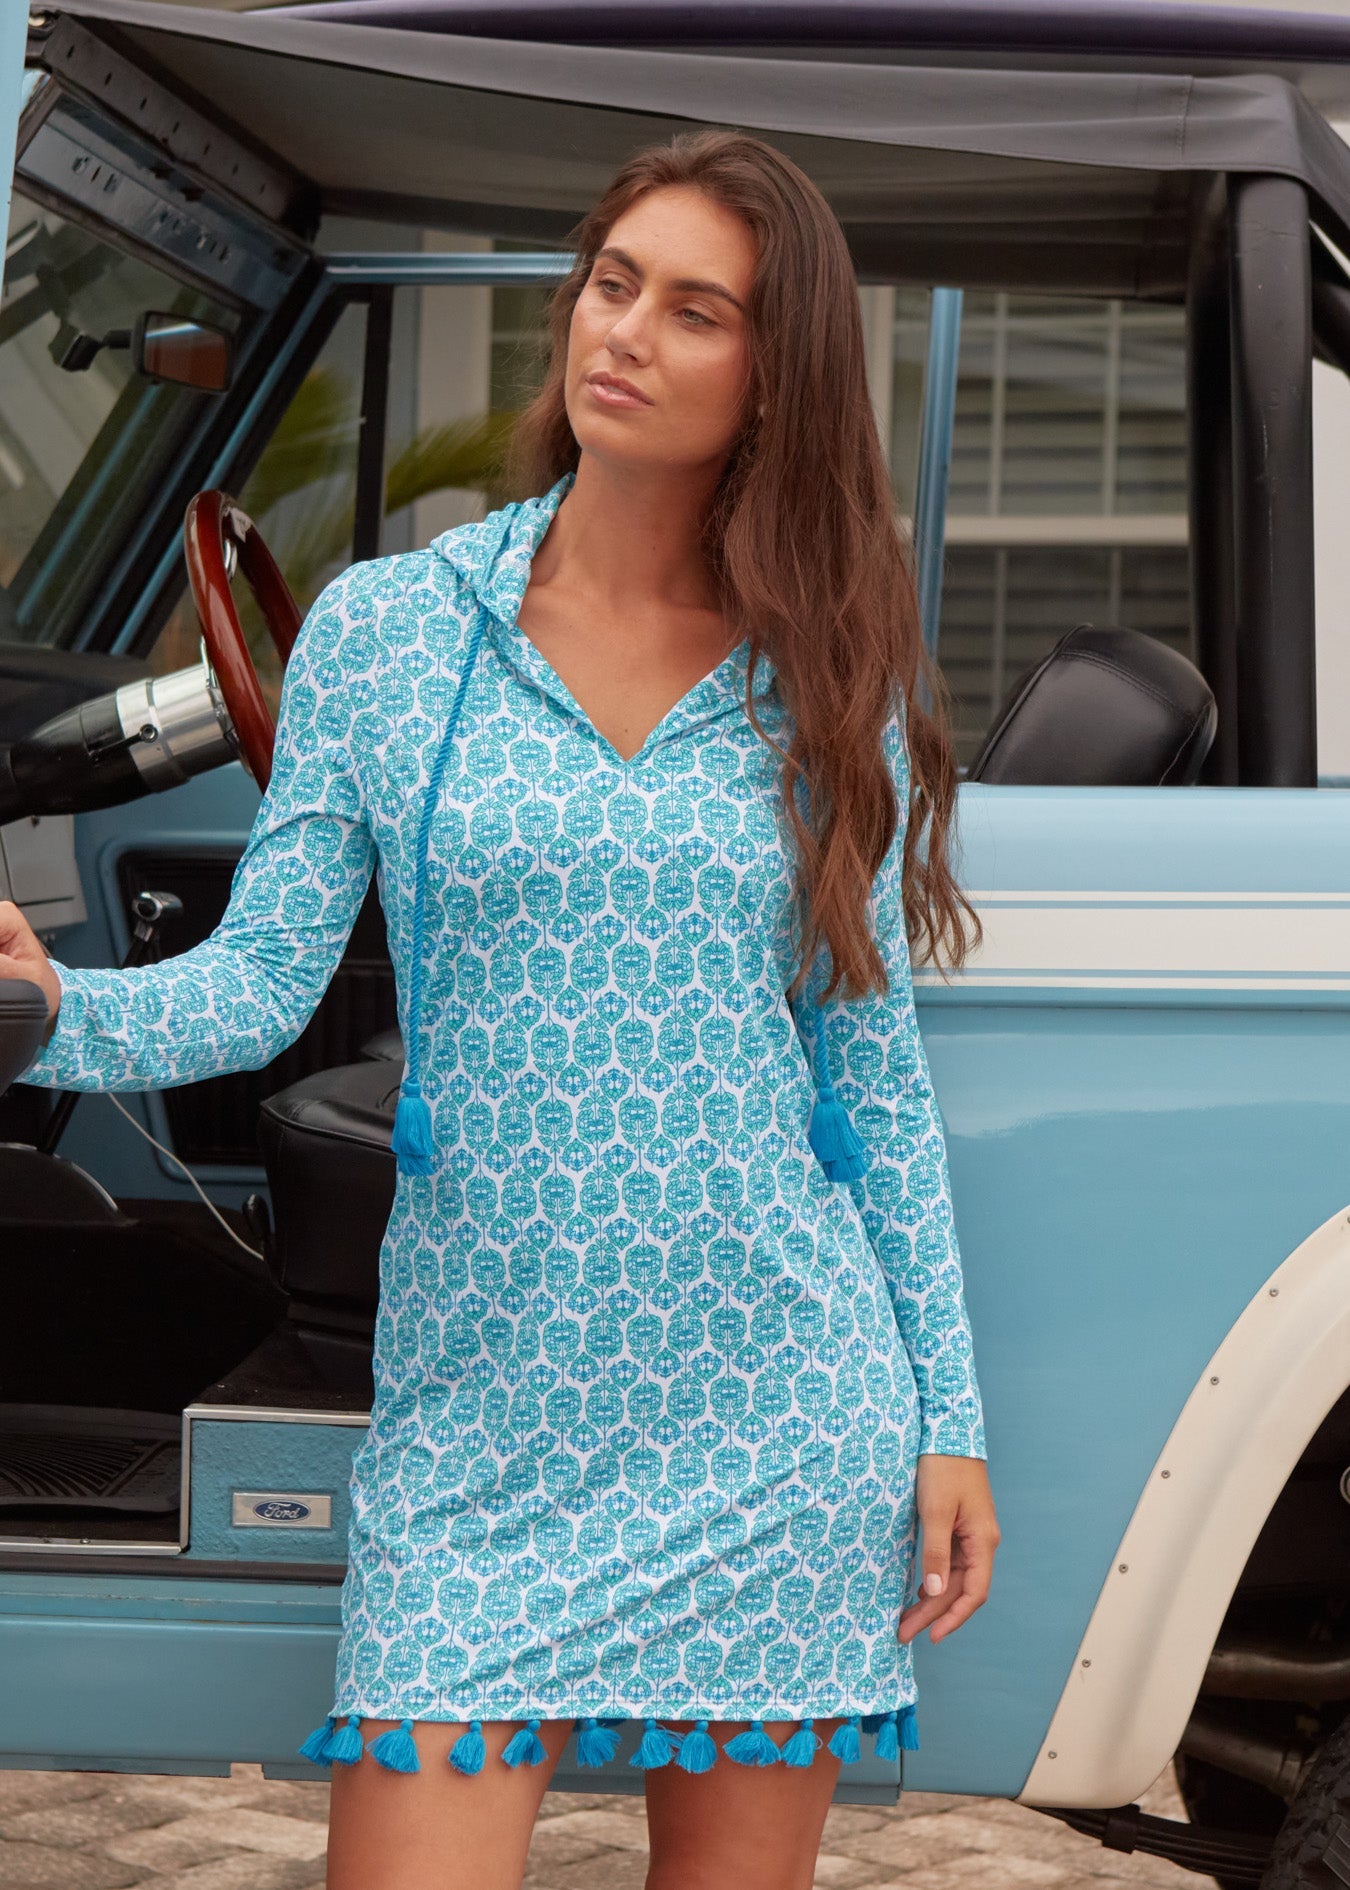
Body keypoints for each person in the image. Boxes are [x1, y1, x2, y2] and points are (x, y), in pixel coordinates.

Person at [1, 130, 999, 1890]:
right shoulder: (393, 634)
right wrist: (42, 1013)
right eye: (614, 284)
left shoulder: (831, 670)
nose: (625, 331)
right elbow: (257, 985)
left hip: (775, 1410)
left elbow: (871, 1073)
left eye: (696, 312)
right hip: (485, 1418)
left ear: (776, 377)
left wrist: (946, 1420)